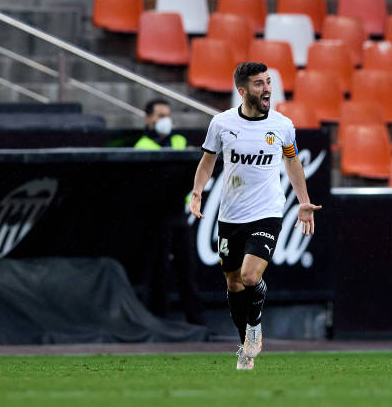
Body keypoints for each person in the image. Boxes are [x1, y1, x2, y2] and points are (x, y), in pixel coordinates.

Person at [189, 62, 321, 370]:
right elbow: (208, 162)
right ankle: (245, 345)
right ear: (242, 91)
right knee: (234, 285)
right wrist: (197, 191)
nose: (267, 89)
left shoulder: (282, 125)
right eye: (259, 84)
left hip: (267, 213)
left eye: (268, 82)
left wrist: (303, 200)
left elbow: (292, 162)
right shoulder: (221, 124)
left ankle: (254, 329)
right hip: (230, 216)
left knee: (250, 276)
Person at [137, 99, 206, 327]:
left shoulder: (179, 141)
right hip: (154, 218)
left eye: (167, 115)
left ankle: (196, 323)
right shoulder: (142, 147)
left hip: (178, 215)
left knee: (187, 270)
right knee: (160, 272)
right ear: (148, 119)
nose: (164, 120)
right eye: (159, 115)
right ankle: (161, 322)